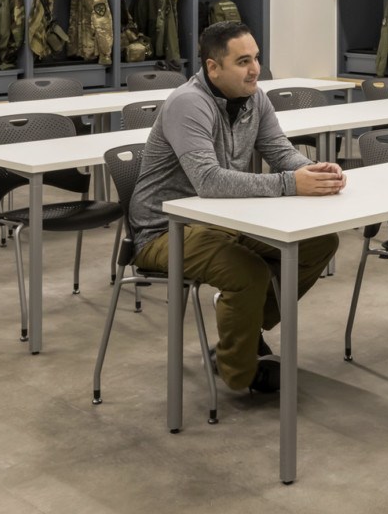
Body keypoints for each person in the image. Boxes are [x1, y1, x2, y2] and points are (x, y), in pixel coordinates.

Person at [129, 21, 344, 394]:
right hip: (165, 230)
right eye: (243, 61)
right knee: (248, 272)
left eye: (257, 58)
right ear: (213, 68)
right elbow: (209, 182)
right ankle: (238, 372)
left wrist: (311, 171)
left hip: (227, 220)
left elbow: (279, 151)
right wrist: (291, 184)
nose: (255, 69)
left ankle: (240, 330)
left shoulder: (255, 97)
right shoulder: (187, 103)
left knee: (319, 243)